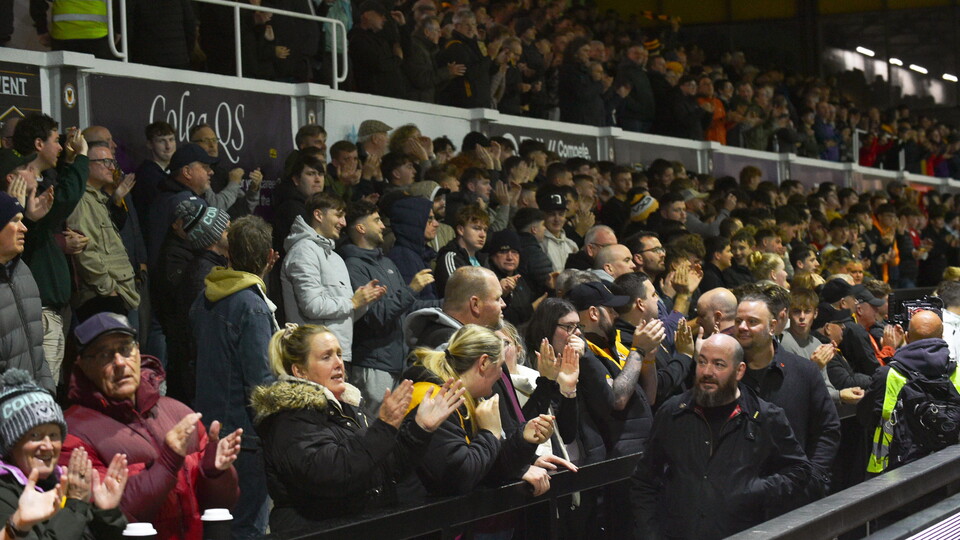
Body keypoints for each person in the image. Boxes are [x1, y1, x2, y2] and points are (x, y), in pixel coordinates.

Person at [251, 324, 464, 533]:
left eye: (339, 354)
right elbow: (333, 473)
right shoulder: (289, 420)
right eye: (326, 357)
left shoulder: (348, 408)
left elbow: (389, 468)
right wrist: (384, 426)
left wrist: (421, 428)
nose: (338, 364)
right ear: (300, 371)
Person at [60, 312, 241, 540]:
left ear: (138, 353)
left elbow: (222, 503)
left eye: (126, 350)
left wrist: (215, 472)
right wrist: (167, 461)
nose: (119, 363)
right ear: (84, 365)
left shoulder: (178, 412)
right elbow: (113, 513)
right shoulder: (72, 434)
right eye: (105, 355)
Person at [630, 334, 812, 540]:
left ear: (739, 370)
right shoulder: (673, 412)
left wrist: (755, 491)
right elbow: (644, 480)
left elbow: (799, 470)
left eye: (719, 364)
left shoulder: (765, 417)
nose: (707, 372)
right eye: (702, 362)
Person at [189, 216, 277, 538]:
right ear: (270, 257)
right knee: (245, 526)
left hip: (210, 430)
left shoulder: (205, 298)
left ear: (228, 254)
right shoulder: (252, 307)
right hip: (245, 437)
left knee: (217, 523)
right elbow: (261, 383)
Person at [400, 324, 555, 497]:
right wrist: (489, 433)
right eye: (500, 367)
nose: (500, 376)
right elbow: (460, 478)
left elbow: (488, 467)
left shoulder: (466, 397)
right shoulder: (434, 398)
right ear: (483, 363)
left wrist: (524, 439)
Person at [735, 291, 840, 500]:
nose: (742, 327)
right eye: (738, 321)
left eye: (752, 321)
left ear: (772, 326)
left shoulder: (804, 371)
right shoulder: (727, 374)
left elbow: (828, 429)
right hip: (739, 497)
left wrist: (814, 476)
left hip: (795, 493)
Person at [0, 369, 129, 539]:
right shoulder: (4, 495)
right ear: (11, 443)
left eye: (53, 435)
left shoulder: (60, 483)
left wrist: (106, 513)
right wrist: (75, 505)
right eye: (35, 436)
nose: (47, 446)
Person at [339, 201, 440, 415]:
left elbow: (407, 306)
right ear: (360, 228)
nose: (383, 226)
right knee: (372, 427)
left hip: (396, 361)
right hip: (373, 365)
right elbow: (376, 315)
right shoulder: (353, 266)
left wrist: (445, 305)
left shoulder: (386, 263)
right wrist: (412, 288)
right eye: (376, 220)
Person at [281, 192, 386, 363]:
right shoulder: (304, 251)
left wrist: (363, 300)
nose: (343, 223)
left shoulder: (335, 257)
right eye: (338, 215)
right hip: (312, 357)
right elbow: (311, 306)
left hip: (337, 355)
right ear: (318, 215)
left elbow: (342, 316)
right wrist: (352, 302)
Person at [860, 310, 959, 475]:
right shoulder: (956, 373)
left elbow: (865, 416)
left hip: (895, 471)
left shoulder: (888, 375)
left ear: (906, 337)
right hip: (949, 468)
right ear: (942, 338)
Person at [65, 142, 139, 321]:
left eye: (112, 161)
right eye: (105, 161)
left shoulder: (98, 199)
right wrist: (109, 289)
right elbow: (85, 251)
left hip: (112, 294)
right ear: (86, 164)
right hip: (100, 297)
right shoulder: (82, 200)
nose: (112, 167)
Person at [0, 192, 53, 391]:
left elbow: (37, 346)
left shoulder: (23, 271)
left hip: (35, 401)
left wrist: (47, 391)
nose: (24, 228)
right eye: (15, 221)